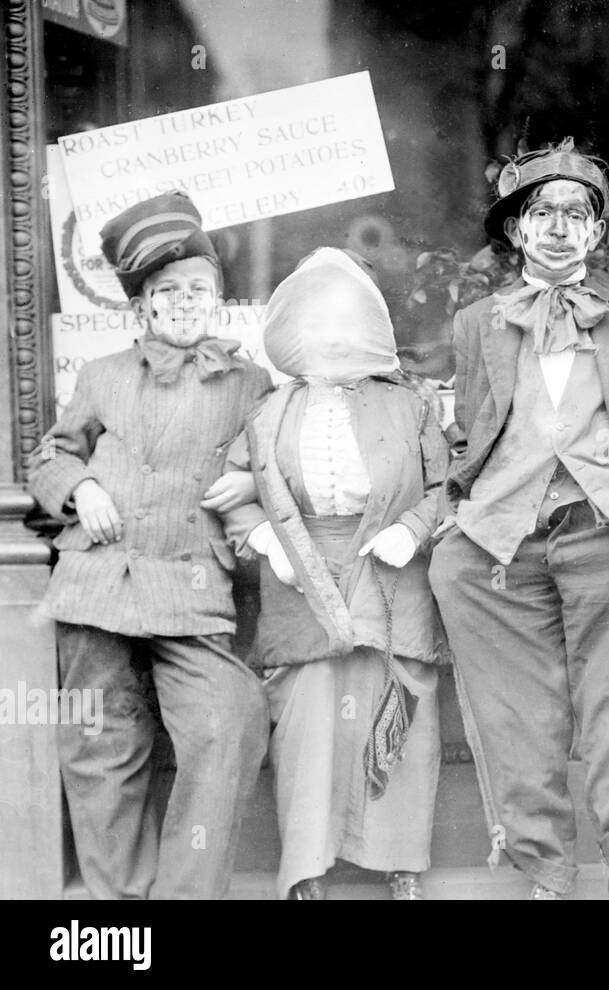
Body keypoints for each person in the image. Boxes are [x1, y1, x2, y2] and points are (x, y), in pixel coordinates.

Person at [428, 139, 609, 900]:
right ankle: (543, 867)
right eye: (543, 212)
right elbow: (473, 429)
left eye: (579, 214)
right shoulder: (477, 322)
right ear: (516, 231)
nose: (560, 227)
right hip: (506, 531)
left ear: (599, 234)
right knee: (518, 711)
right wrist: (454, 505)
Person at [27, 191, 271, 899]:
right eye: (169, 291)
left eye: (201, 289)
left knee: (228, 722)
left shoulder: (250, 383)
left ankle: (187, 898)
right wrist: (82, 490)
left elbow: (279, 462)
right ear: (141, 308)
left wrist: (251, 483)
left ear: (220, 302)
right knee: (102, 745)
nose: (187, 301)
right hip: (96, 582)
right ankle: (119, 906)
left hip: (191, 585)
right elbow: (50, 456)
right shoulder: (102, 376)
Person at [220, 247, 451, 901]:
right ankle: (306, 868)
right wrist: (266, 537)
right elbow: (234, 490)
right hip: (301, 576)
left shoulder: (410, 405)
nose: (333, 338)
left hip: (390, 573)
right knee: (307, 720)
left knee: (397, 707)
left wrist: (411, 531)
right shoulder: (272, 411)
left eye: (346, 323)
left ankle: (399, 860)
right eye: (319, 324)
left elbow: (447, 484)